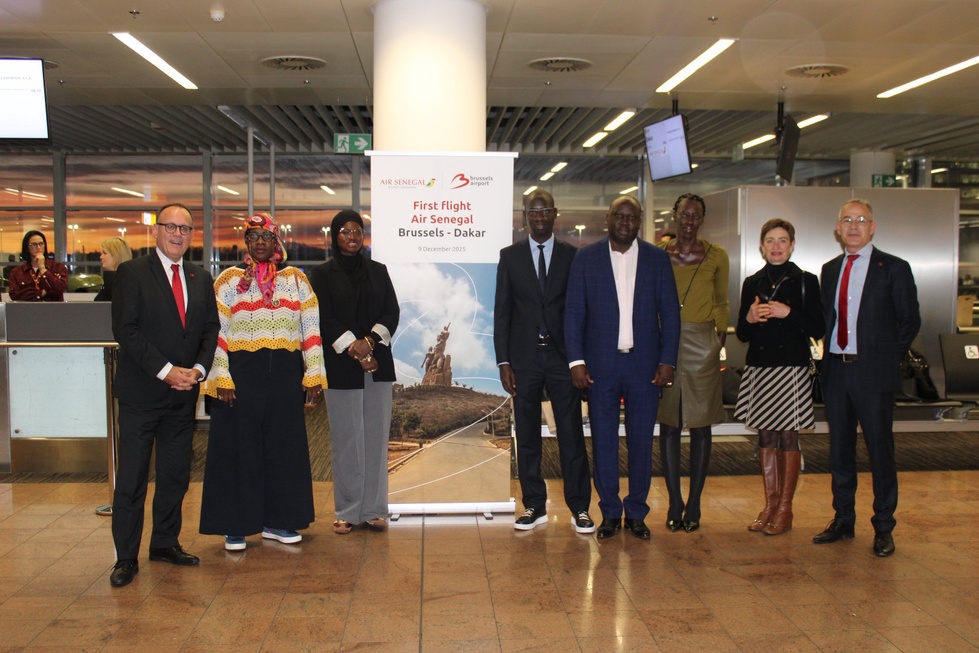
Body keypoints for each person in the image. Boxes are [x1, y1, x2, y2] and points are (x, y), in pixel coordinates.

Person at [108, 203, 220, 587]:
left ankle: (164, 542)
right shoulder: (132, 273)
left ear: (192, 235)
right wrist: (167, 371)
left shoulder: (200, 277)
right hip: (142, 394)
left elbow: (209, 330)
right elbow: (127, 330)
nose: (178, 234)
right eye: (171, 227)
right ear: (156, 231)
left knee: (175, 475)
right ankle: (125, 557)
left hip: (183, 396)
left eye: (185, 229)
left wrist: (198, 371)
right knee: (133, 478)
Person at [200, 213, 325, 550]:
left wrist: (313, 372)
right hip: (240, 375)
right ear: (246, 242)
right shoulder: (228, 281)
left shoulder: (296, 281)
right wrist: (221, 375)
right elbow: (217, 333)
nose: (259, 242)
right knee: (238, 449)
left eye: (265, 237)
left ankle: (278, 521)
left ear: (276, 243)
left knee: (283, 449)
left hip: (285, 374)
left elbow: (310, 329)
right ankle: (235, 525)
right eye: (253, 236)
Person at [565, 195, 680, 540]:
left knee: (642, 441)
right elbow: (573, 314)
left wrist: (667, 361)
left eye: (632, 217)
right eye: (620, 215)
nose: (625, 222)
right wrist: (576, 361)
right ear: (608, 218)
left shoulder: (657, 259)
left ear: (639, 221)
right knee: (603, 441)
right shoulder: (586, 258)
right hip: (600, 366)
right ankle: (611, 513)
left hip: (646, 366)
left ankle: (638, 513)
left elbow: (671, 314)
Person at [813, 199, 920, 557]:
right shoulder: (829, 270)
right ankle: (843, 519)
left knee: (880, 451)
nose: (854, 225)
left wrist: (885, 357)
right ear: (837, 227)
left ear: (873, 227)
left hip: (873, 373)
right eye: (847, 220)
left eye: (861, 220)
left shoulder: (894, 268)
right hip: (837, 372)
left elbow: (910, 321)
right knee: (839, 451)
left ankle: (884, 527)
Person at [494, 189, 594, 533]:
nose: (539, 217)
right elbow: (502, 312)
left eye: (545, 211)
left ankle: (579, 507)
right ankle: (534, 505)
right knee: (527, 436)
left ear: (555, 215)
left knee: (570, 434)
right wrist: (503, 362)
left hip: (562, 358)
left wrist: (581, 358)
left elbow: (582, 310)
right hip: (523, 360)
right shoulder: (510, 257)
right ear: (524, 217)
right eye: (533, 212)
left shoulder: (573, 256)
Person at [310, 209, 400, 535]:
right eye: (345, 232)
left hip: (377, 366)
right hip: (342, 367)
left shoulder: (379, 271)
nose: (352, 237)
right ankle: (348, 510)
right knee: (347, 441)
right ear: (335, 236)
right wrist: (353, 346)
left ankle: (375, 510)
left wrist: (369, 343)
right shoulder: (321, 274)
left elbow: (391, 311)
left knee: (376, 440)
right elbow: (323, 317)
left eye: (357, 231)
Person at [735, 219, 824, 535]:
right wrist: (748, 318)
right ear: (761, 246)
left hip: (792, 368)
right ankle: (770, 504)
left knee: (788, 435)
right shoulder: (752, 282)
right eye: (770, 240)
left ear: (792, 245)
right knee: (765, 436)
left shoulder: (805, 281)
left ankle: (785, 509)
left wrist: (790, 314)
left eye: (782, 240)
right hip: (760, 367)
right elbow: (743, 334)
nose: (776, 246)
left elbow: (818, 329)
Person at [657, 193, 729, 533]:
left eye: (696, 216)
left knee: (701, 425)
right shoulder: (658, 256)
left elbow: (721, 301)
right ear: (674, 216)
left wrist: (717, 341)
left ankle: (695, 502)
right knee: (669, 425)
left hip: (703, 343)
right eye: (684, 214)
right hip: (666, 343)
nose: (689, 221)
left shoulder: (717, 256)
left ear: (702, 220)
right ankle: (674, 501)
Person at [7, 231, 69, 301]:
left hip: (53, 310)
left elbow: (59, 289)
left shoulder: (58, 267)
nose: (39, 247)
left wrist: (42, 268)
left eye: (41, 244)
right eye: (34, 244)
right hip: (27, 310)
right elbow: (15, 295)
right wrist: (41, 292)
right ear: (27, 247)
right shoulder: (17, 272)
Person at [94, 236, 132, 302]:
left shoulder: (124, 283)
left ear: (116, 255)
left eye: (104, 253)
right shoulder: (111, 281)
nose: (101, 257)